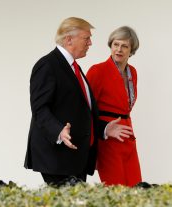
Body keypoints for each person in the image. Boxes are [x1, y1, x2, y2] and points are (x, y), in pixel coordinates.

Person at [24, 17, 99, 185]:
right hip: (57, 159)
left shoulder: (74, 67)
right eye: (86, 38)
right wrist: (59, 130)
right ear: (68, 39)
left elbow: (82, 110)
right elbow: (39, 109)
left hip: (75, 158)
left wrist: (105, 128)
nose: (90, 43)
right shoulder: (47, 65)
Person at [86, 26, 142, 187]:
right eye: (115, 44)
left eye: (124, 46)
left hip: (128, 137)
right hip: (108, 139)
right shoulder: (98, 71)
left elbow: (126, 106)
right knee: (116, 190)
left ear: (131, 50)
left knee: (137, 189)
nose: (119, 49)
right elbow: (87, 110)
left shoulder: (133, 72)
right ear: (110, 46)